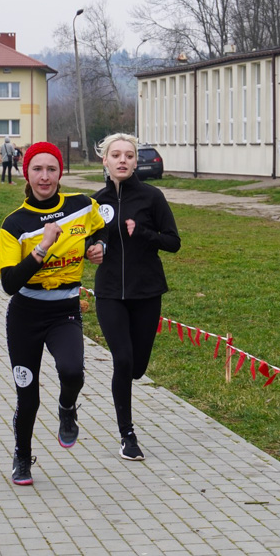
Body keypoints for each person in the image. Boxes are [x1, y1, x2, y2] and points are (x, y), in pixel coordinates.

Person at [0, 141, 108, 486]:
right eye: (37, 169)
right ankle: (22, 457)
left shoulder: (82, 205)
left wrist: (98, 247)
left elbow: (101, 230)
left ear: (60, 172)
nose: (45, 177)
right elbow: (9, 283)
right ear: (25, 172)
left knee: (72, 372)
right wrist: (42, 247)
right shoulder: (15, 223)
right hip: (26, 314)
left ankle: (68, 408)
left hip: (65, 310)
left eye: (51, 169)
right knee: (28, 395)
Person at [91, 133, 181, 461]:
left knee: (138, 367)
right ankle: (127, 435)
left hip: (147, 292)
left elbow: (173, 242)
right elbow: (87, 241)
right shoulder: (96, 202)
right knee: (123, 360)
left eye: (129, 155)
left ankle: (126, 386)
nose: (123, 160)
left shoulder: (152, 197)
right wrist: (92, 251)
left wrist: (142, 233)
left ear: (135, 160)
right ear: (105, 160)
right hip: (110, 292)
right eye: (116, 155)